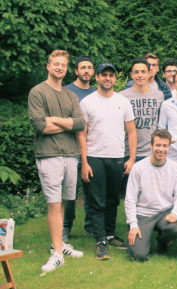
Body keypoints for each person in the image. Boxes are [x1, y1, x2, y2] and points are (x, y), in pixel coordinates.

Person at [28, 50, 85, 272]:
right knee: (53, 203)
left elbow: (80, 123)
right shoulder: (38, 92)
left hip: (70, 154)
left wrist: (55, 120)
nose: (59, 67)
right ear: (48, 66)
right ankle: (58, 254)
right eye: (56, 64)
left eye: (63, 65)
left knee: (63, 202)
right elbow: (41, 126)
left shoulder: (71, 96)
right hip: (49, 154)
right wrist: (67, 123)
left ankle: (58, 244)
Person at [79, 62, 137, 260]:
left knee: (113, 199)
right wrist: (84, 162)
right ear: (97, 77)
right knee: (97, 201)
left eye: (111, 75)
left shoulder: (123, 101)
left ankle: (110, 234)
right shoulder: (87, 102)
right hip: (94, 157)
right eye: (104, 75)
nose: (107, 78)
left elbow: (131, 131)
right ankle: (100, 240)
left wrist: (131, 158)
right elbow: (82, 134)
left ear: (115, 78)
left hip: (117, 157)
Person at [125, 130, 177, 261]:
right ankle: (138, 238)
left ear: (169, 147)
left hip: (164, 213)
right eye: (158, 145)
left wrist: (175, 213)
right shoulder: (138, 168)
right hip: (143, 215)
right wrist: (133, 224)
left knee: (175, 229)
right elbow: (130, 199)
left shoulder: (175, 168)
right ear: (151, 146)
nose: (161, 149)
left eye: (165, 146)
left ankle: (162, 243)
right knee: (139, 256)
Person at [63, 55, 97, 241]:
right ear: (76, 71)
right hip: (70, 150)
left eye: (89, 67)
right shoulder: (66, 91)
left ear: (93, 72)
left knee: (91, 191)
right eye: (82, 67)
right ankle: (66, 227)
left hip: (91, 150)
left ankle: (91, 226)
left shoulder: (96, 92)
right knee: (69, 192)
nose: (86, 71)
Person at [121, 58, 165, 161]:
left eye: (143, 72)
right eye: (136, 72)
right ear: (131, 75)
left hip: (152, 151)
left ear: (149, 73)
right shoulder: (123, 96)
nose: (140, 75)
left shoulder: (159, 95)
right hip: (128, 152)